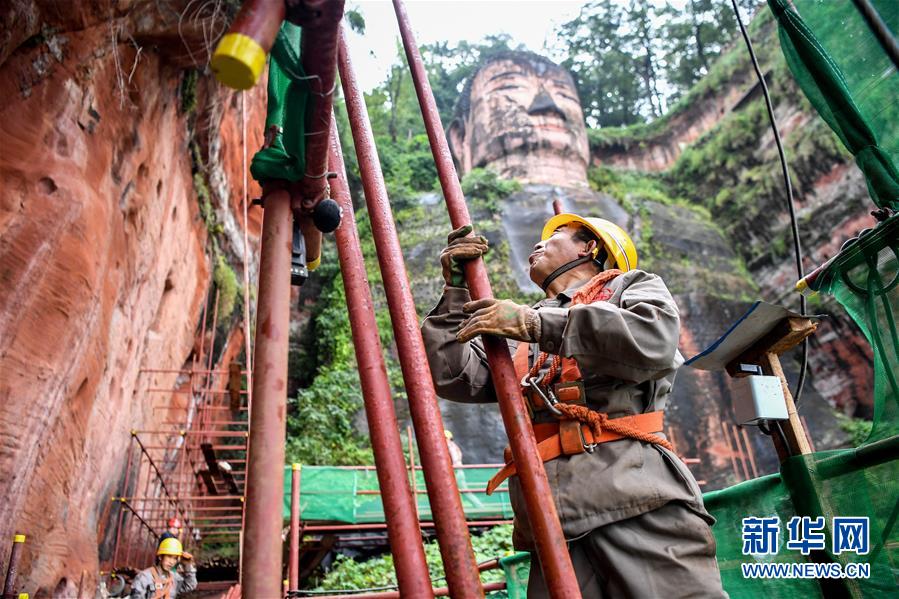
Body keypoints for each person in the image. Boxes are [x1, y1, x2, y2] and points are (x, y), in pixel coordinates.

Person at [421, 215, 725, 598]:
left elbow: (653, 339)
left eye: (556, 236)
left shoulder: (628, 287)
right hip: (550, 519)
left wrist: (539, 325)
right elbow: (451, 375)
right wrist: (455, 293)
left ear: (589, 247)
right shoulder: (516, 328)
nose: (538, 244)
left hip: (634, 497)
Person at [130, 537, 197, 599]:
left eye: (175, 558)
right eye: (169, 556)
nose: (172, 562)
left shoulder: (174, 578)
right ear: (160, 557)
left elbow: (190, 585)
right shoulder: (145, 577)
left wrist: (187, 565)